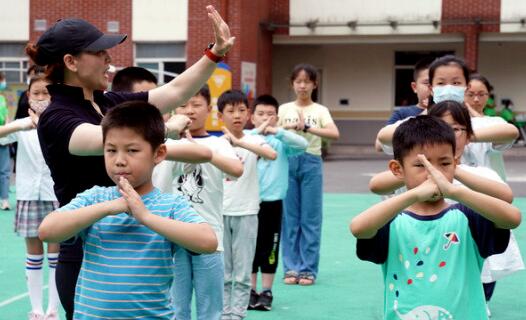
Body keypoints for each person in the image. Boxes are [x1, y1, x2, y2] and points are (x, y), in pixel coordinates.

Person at [26, 7, 233, 319]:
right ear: (71, 62)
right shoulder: (57, 116)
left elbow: (173, 91)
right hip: (90, 249)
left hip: (138, 239)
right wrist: (161, 132)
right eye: (99, 52)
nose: (109, 60)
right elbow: (105, 140)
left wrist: (215, 53)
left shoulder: (107, 102)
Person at [38, 101, 218, 319]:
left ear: (159, 154)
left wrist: (145, 216)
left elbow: (208, 242)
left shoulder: (171, 205)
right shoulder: (95, 198)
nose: (119, 161)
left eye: (132, 150)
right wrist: (109, 207)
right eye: (111, 150)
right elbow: (47, 231)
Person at [350, 115, 521, 320]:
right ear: (397, 169)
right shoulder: (392, 222)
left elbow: (512, 218)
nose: (434, 173)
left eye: (444, 163)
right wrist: (413, 194)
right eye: (421, 165)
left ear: (456, 164)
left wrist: (455, 191)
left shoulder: (467, 218)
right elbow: (358, 228)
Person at [153, 86, 243, 320]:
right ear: (173, 110)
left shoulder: (219, 144)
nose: (190, 111)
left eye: (196, 105)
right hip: (172, 236)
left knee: (210, 311)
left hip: (209, 236)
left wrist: (200, 151)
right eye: (183, 105)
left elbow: (236, 170)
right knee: (176, 309)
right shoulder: (162, 144)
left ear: (209, 110)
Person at [0, 75, 60, 320]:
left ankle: (53, 309)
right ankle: (36, 310)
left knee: (56, 256)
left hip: (55, 194)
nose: (41, 98)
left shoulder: (62, 123)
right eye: (36, 93)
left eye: (46, 93)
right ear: (28, 97)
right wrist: (20, 125)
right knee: (34, 255)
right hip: (28, 195)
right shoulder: (23, 126)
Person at [277, 63, 339, 286]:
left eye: (307, 81)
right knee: (289, 218)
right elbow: (272, 132)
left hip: (311, 160)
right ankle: (291, 268)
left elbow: (333, 133)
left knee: (310, 218)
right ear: (292, 84)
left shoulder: (320, 110)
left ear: (314, 84)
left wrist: (307, 128)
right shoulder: (283, 109)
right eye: (298, 81)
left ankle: (308, 269)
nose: (302, 86)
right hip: (287, 161)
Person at [218, 89, 277, 320]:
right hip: (219, 213)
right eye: (230, 111)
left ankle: (238, 315)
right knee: (223, 273)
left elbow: (271, 155)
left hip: (247, 212)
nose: (236, 115)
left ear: (248, 114)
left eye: (242, 110)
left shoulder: (255, 140)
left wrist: (240, 142)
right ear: (220, 114)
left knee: (242, 274)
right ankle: (223, 314)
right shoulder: (216, 142)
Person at [247, 94, 308, 311]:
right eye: (260, 114)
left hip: (273, 204)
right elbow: (237, 143)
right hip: (248, 203)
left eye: (270, 114)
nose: (265, 118)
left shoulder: (281, 142)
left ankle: (266, 291)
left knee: (270, 247)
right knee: (251, 247)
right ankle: (251, 291)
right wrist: (257, 132)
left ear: (277, 117)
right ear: (251, 117)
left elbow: (303, 144)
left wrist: (278, 131)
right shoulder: (246, 137)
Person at [376, 58, 431, 152]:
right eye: (427, 83)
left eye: (439, 83)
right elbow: (379, 145)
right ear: (414, 87)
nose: (432, 87)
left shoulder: (449, 112)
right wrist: (426, 113)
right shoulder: (402, 113)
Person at [0, 72, 10, 210]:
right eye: (1, 80)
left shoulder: (2, 98)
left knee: (5, 171)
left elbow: (7, 115)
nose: (3, 83)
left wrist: (7, 132)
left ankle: (5, 199)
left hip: (3, 138)